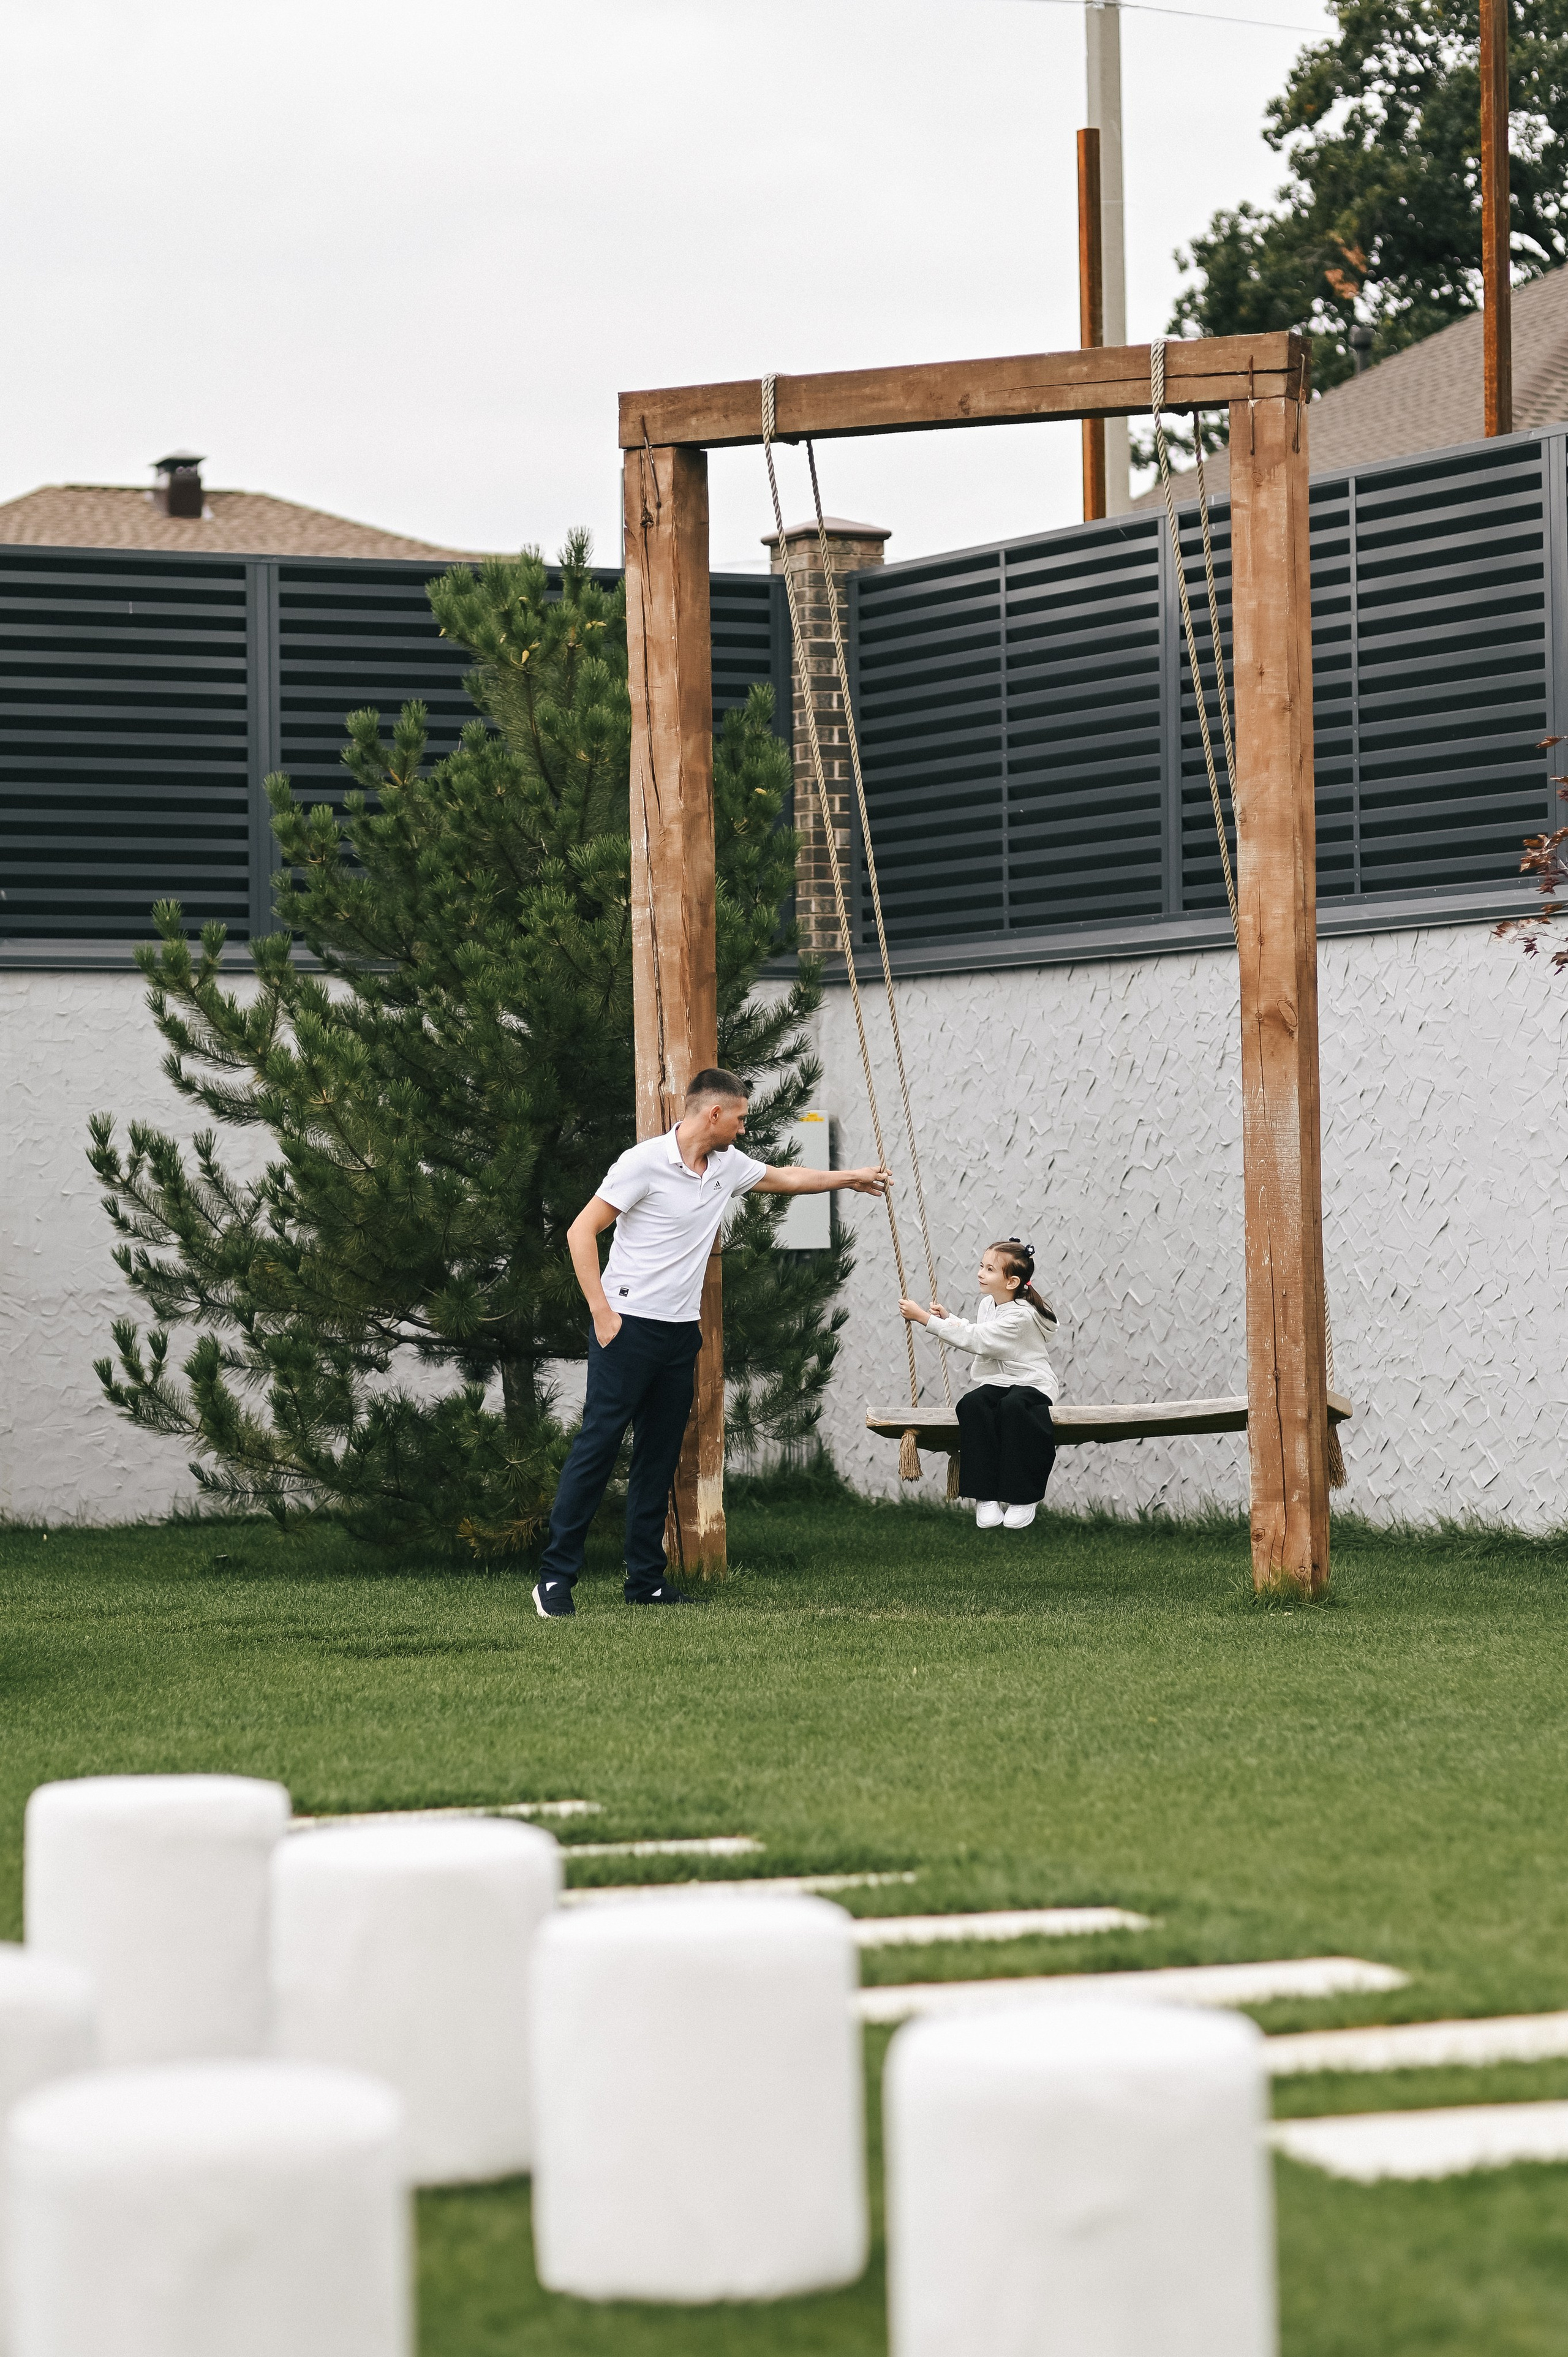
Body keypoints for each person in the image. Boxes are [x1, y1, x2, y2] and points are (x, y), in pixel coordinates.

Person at [534, 1070, 891, 1616]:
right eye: (742, 1118)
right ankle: (555, 1580)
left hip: (680, 1335)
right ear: (714, 1115)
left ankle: (646, 1584)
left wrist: (849, 1178)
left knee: (657, 1461)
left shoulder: (725, 1166)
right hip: (627, 1328)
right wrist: (603, 1315)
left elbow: (786, 1178)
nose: (746, 1129)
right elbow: (580, 1232)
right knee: (597, 1451)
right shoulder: (643, 1163)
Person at [899, 1239, 1058, 1529]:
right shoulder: (990, 1304)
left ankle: (1024, 1496)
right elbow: (979, 1331)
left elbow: (979, 1340)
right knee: (971, 1405)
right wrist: (950, 1319)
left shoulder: (1021, 1316)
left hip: (1030, 1383)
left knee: (1015, 1409)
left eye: (989, 1269)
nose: (981, 1273)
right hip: (999, 1382)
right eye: (981, 1266)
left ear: (1011, 1281)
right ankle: (985, 1495)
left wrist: (924, 1319)